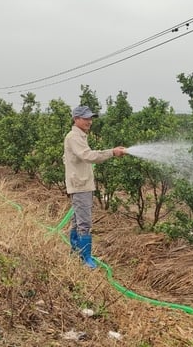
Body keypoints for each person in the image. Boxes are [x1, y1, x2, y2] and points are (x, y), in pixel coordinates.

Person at [63, 105, 125, 268]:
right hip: (80, 186)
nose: (89, 122)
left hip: (82, 184)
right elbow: (88, 155)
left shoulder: (80, 136)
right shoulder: (73, 137)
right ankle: (85, 259)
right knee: (84, 223)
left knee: (77, 221)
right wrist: (111, 152)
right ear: (76, 119)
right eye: (86, 118)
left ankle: (75, 253)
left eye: (90, 118)